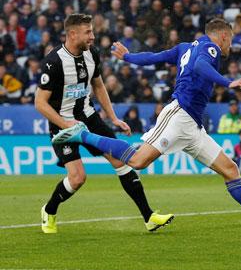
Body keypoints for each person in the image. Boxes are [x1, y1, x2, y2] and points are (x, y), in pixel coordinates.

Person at [52, 19, 241, 239]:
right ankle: (81, 134)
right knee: (137, 161)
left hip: (193, 126)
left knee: (230, 170)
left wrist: (128, 58)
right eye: (230, 39)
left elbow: (155, 57)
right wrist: (228, 82)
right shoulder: (210, 49)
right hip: (179, 116)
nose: (230, 45)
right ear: (222, 35)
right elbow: (201, 66)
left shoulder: (184, 47)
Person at [36, 14, 172, 234]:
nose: (92, 35)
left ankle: (149, 217)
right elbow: (40, 103)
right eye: (87, 32)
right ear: (72, 34)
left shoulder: (92, 54)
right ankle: (49, 210)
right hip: (62, 125)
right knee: (78, 178)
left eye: (92, 31)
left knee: (121, 161)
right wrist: (65, 124)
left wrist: (114, 117)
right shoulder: (54, 62)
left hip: (90, 118)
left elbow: (98, 86)